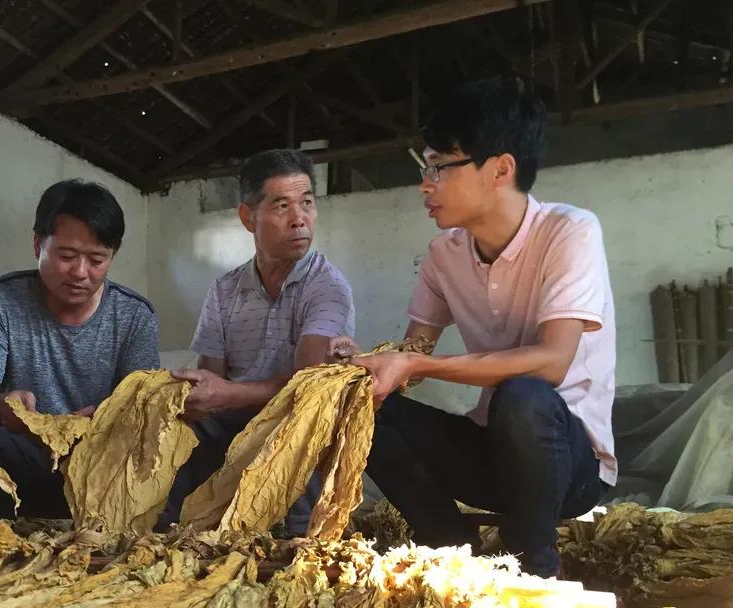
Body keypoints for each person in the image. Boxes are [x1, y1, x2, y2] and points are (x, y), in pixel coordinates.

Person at [330, 77, 615, 578]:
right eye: (426, 167)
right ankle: (451, 549)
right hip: (490, 457)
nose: (426, 183)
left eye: (439, 166)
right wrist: (369, 363)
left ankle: (536, 567)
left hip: (569, 466)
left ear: (500, 169)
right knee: (365, 409)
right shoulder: (444, 255)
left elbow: (554, 362)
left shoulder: (570, 231)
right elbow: (414, 353)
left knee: (523, 396)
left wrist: (417, 363)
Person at [164, 148, 355, 534]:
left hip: (296, 419)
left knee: (296, 424)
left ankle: (302, 535)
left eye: (306, 203)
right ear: (248, 217)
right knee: (176, 429)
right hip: (233, 419)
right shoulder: (224, 290)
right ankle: (169, 530)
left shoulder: (326, 285)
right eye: (282, 206)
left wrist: (227, 394)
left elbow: (308, 381)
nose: (299, 219)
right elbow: (211, 378)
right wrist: (197, 396)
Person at [0, 179, 159, 519]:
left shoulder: (135, 315)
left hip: (96, 459)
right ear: (37, 245)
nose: (80, 272)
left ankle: (90, 523)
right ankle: (8, 527)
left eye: (96, 260)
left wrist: (103, 421)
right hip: (23, 453)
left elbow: (142, 410)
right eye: (66, 256)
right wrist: (4, 408)